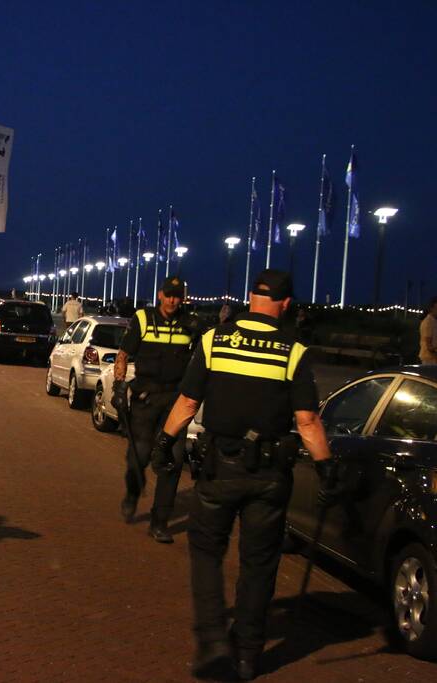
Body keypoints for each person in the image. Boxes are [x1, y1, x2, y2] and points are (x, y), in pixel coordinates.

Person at [150, 269, 337, 680]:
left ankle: (212, 638)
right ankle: (248, 653)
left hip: (219, 469)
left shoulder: (214, 340)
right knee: (259, 563)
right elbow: (307, 422)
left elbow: (186, 401)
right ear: (286, 305)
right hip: (270, 476)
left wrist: (164, 442)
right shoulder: (294, 351)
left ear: (251, 297)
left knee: (206, 554)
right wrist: (326, 469)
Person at [112, 276, 200, 543]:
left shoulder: (191, 324)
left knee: (171, 461)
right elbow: (124, 354)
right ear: (160, 294)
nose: (173, 301)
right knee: (138, 456)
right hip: (145, 398)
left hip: (174, 402)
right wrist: (119, 385)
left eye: (178, 296)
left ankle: (159, 521)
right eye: (169, 295)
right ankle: (132, 493)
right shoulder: (143, 319)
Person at [419, 296, 437, 364]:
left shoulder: (434, 321)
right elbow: (429, 345)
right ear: (431, 309)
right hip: (430, 359)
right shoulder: (428, 322)